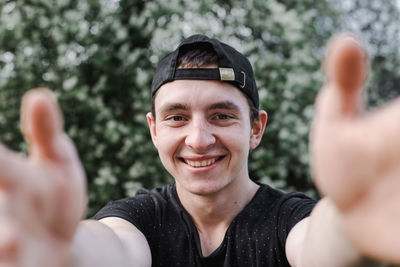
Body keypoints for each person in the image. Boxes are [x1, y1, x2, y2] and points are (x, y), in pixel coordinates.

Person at [0, 33, 398, 267]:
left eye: (222, 115)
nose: (199, 139)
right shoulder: (139, 221)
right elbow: (111, 249)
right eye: (176, 117)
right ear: (153, 130)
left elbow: (317, 246)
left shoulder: (287, 222)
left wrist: (349, 223)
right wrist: (64, 251)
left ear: (256, 128)